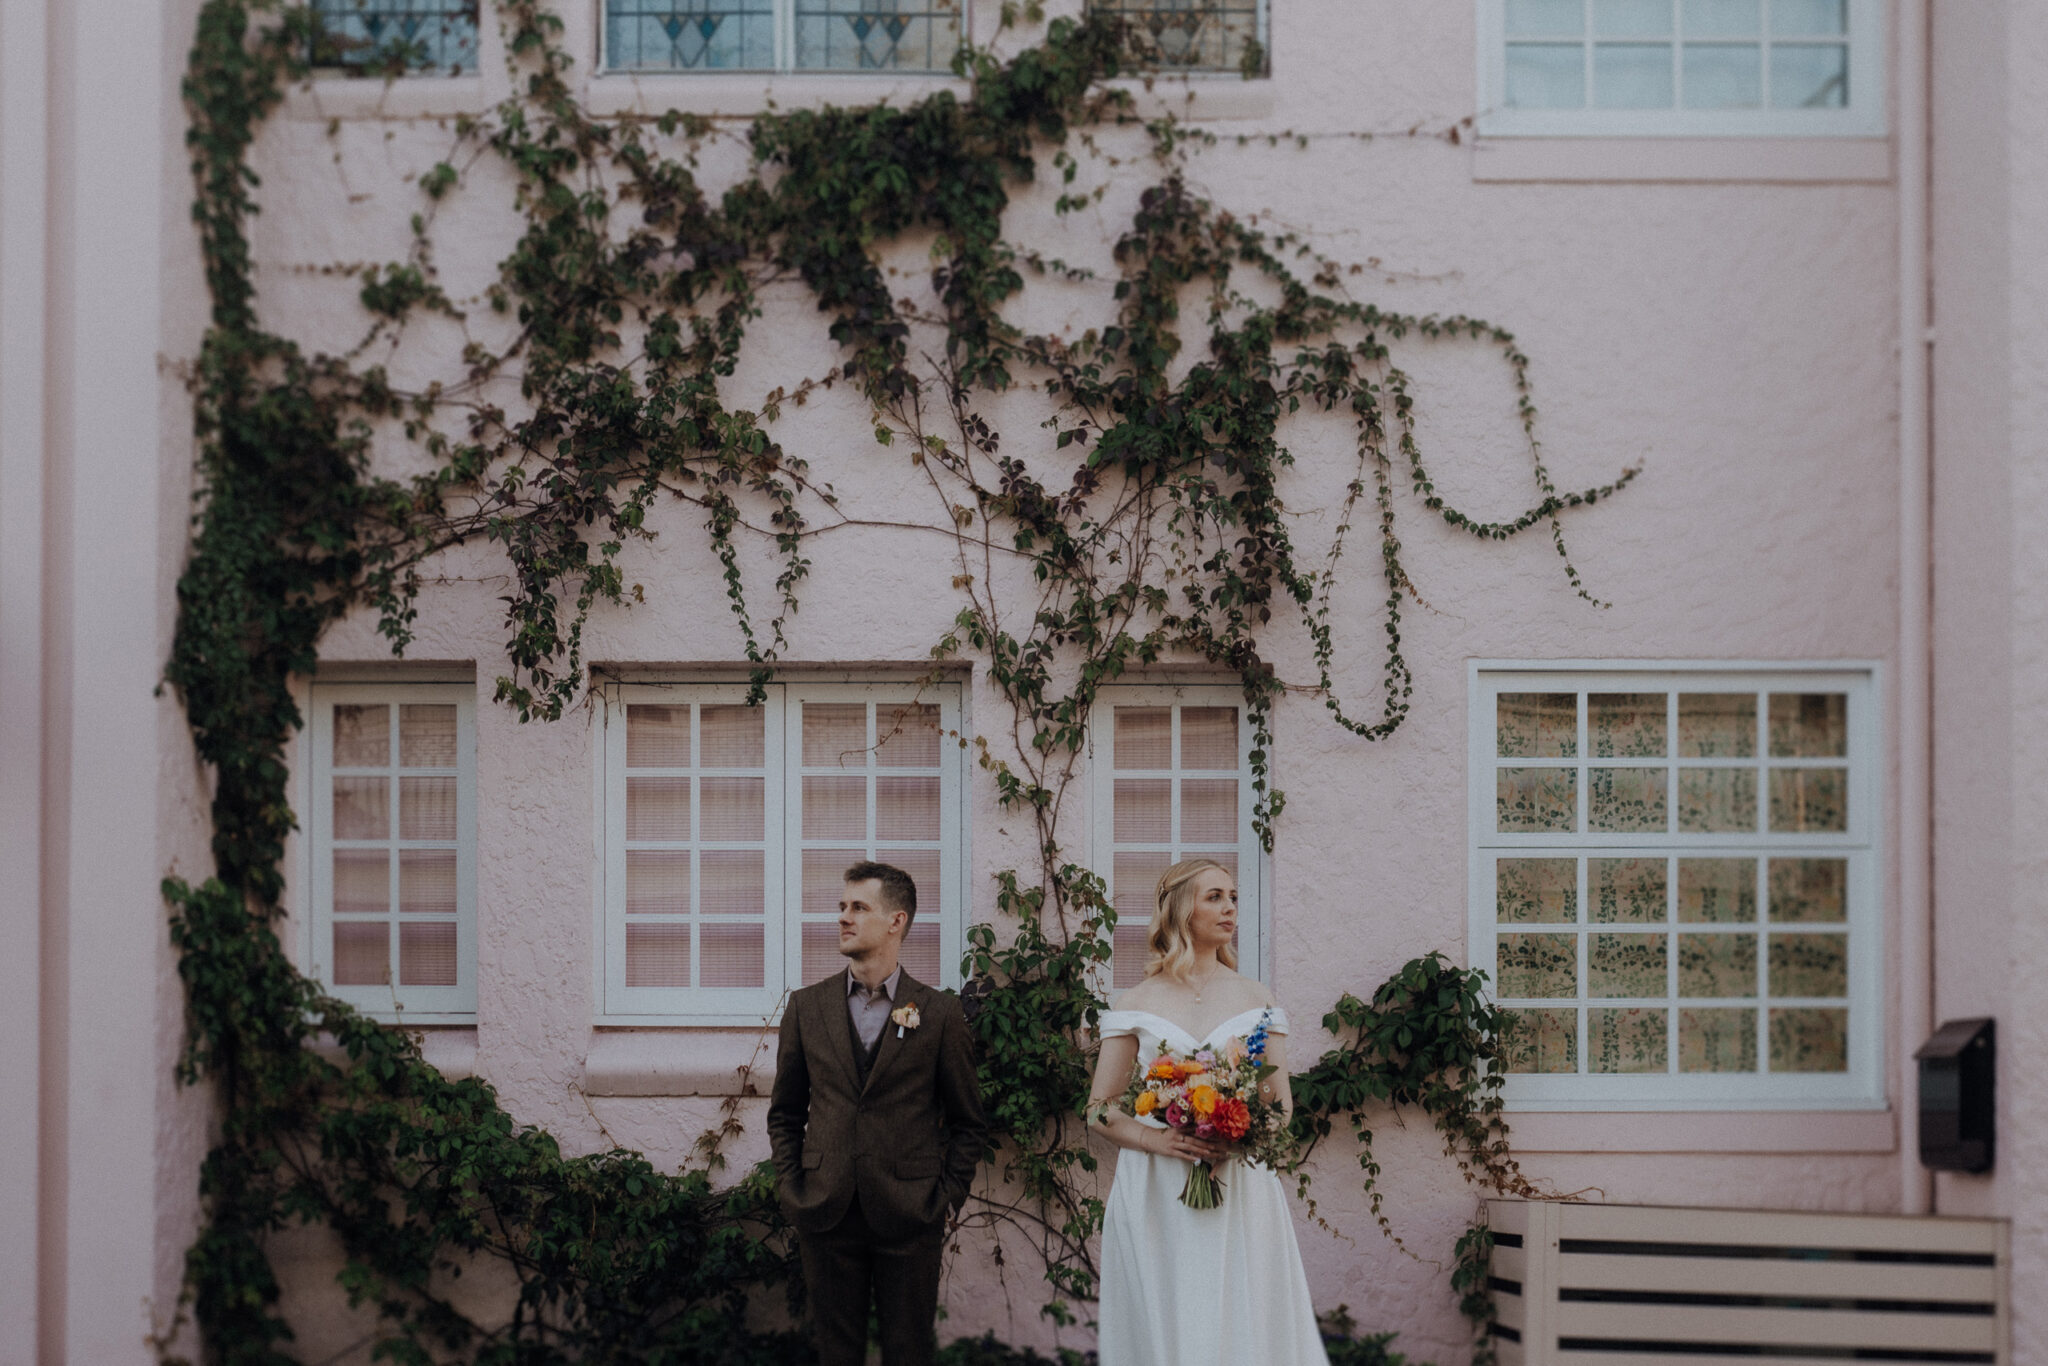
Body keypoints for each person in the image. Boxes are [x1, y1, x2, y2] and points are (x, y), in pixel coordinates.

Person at [1086, 858, 1331, 1366]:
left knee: (1243, 1313)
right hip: (1156, 1185)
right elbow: (1098, 1109)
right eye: (1214, 897)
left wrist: (1238, 1140)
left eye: (1233, 897)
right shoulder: (1136, 1002)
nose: (1229, 909)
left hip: (1238, 1181)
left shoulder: (1256, 999)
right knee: (1167, 1311)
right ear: (1181, 909)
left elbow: (1279, 1106)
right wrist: (1159, 1140)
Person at [768, 861, 990, 1366]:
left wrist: (944, 1199)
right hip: (825, 1209)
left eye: (858, 908)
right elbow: (784, 1112)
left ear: (897, 921)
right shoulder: (806, 1007)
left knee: (908, 1353)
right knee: (836, 1354)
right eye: (842, 907)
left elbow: (967, 1121)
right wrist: (793, 1188)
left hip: (911, 1212)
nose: (843, 918)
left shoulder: (937, 1013)